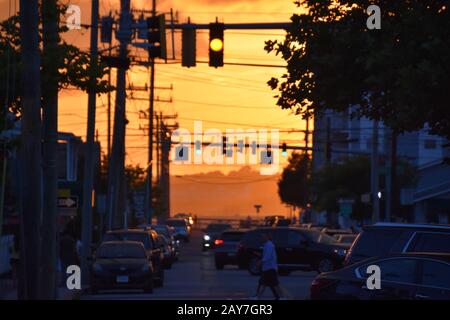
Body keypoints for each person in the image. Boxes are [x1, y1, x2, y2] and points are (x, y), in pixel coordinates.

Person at [254, 231, 283, 300]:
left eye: (264, 236)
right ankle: (257, 297)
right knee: (263, 283)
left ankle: (282, 297)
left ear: (268, 237)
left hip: (270, 268)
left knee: (275, 284)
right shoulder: (266, 245)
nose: (262, 237)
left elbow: (268, 256)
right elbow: (266, 255)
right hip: (267, 268)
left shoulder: (269, 245)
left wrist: (260, 261)